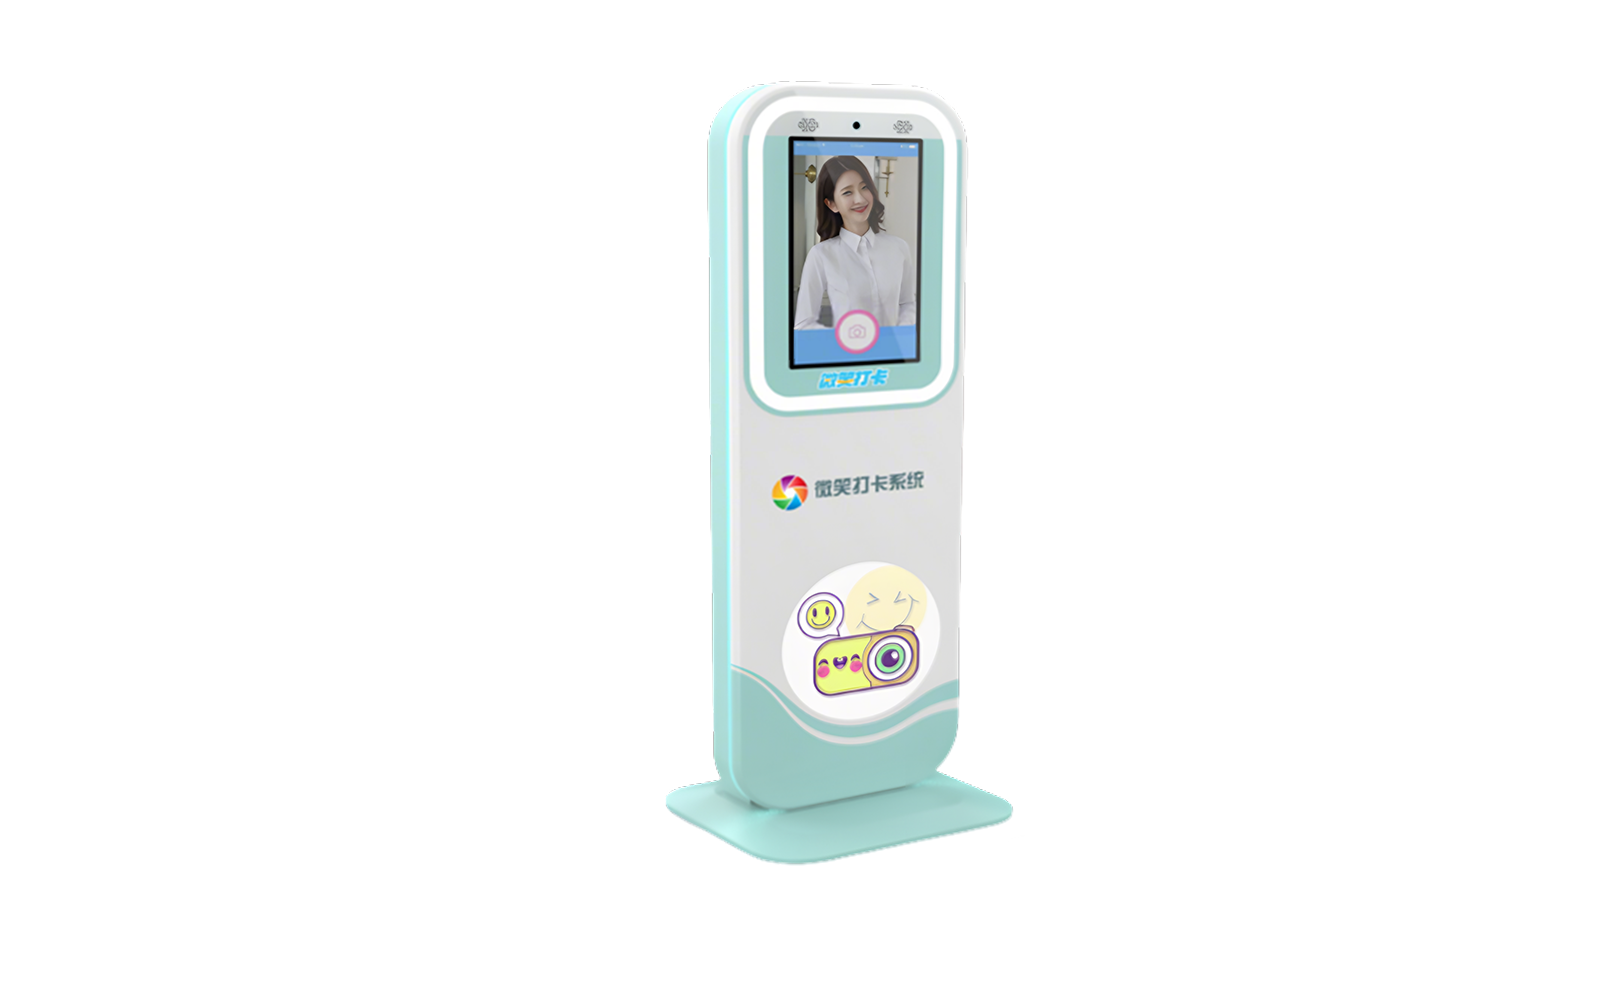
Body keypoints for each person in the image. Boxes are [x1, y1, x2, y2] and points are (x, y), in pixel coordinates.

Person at [793, 155, 915, 330]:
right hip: (845, 347)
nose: (860, 199)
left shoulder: (898, 248)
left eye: (864, 187)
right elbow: (803, 324)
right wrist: (844, 339)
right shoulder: (821, 255)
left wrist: (898, 335)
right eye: (847, 192)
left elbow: (908, 303)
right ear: (832, 204)